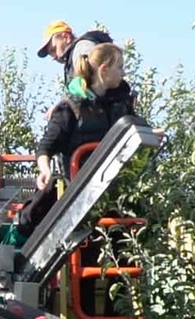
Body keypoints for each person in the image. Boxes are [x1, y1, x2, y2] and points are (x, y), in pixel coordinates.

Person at [18, 42, 136, 235]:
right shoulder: (71, 107)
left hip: (115, 191)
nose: (124, 73)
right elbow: (46, 146)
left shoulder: (121, 104)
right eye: (120, 67)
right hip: (81, 194)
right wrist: (45, 170)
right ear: (104, 70)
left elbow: (138, 130)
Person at [37, 20, 114, 91]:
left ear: (66, 37)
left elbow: (95, 77)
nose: (53, 57)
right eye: (50, 54)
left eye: (53, 49)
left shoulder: (81, 47)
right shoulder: (74, 55)